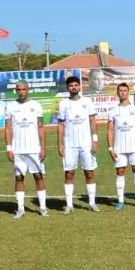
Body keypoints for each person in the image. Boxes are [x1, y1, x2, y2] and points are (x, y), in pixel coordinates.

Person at [4, 80, 48, 218]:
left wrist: (43, 147)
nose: (21, 92)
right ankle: (20, 209)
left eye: (23, 89)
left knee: (38, 176)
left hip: (34, 148)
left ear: (28, 90)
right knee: (19, 178)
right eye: (18, 90)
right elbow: (8, 128)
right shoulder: (10, 106)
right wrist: (9, 148)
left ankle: (42, 208)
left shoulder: (36, 105)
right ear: (15, 91)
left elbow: (41, 127)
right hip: (18, 150)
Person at [57, 75, 99, 212]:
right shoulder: (63, 104)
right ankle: (69, 205)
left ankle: (92, 203)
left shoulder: (87, 102)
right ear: (68, 88)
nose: (73, 87)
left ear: (80, 86)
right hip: (70, 144)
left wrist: (95, 140)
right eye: (71, 85)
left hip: (86, 143)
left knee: (89, 172)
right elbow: (61, 125)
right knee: (69, 173)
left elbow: (93, 121)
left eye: (76, 85)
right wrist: (60, 144)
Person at [106, 82, 135, 209]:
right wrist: (110, 148)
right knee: (120, 172)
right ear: (117, 93)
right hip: (119, 148)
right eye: (120, 90)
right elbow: (110, 131)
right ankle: (120, 201)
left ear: (128, 92)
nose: (123, 92)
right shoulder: (113, 111)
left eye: (125, 90)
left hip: (134, 146)